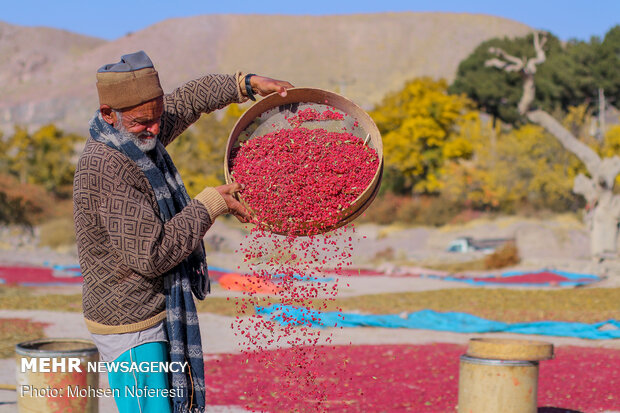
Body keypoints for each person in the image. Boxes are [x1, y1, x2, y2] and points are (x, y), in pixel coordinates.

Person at [72, 50, 293, 413]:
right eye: (144, 121)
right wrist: (209, 205)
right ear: (108, 114)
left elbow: (190, 99)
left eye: (158, 117)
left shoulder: (137, 134)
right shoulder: (107, 165)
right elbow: (152, 254)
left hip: (153, 308)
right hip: (130, 325)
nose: (156, 129)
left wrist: (247, 84)